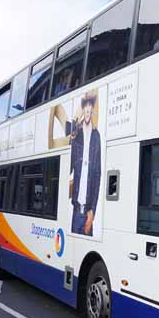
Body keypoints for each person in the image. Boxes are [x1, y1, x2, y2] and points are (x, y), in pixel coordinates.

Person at [70, 92, 101, 236]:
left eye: (90, 111)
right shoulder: (77, 136)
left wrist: (92, 212)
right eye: (85, 110)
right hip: (76, 212)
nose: (87, 113)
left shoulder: (96, 136)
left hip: (88, 212)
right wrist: (74, 133)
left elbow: (97, 175)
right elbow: (69, 164)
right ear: (83, 111)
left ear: (92, 112)